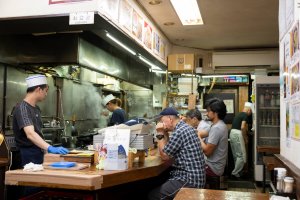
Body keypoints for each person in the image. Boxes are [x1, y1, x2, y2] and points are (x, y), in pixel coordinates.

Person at [148, 107, 205, 200]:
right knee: (159, 181)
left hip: (189, 181)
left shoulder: (180, 131)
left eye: (162, 121)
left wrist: (159, 132)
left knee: (153, 195)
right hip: (194, 177)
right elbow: (168, 149)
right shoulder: (185, 128)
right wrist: (165, 132)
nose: (161, 124)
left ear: (170, 119)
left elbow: (165, 156)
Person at [13, 75, 69, 167]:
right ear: (39, 89)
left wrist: (46, 150)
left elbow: (38, 132)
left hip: (38, 153)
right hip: (26, 154)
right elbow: (30, 134)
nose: (46, 94)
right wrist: (49, 147)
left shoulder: (36, 108)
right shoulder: (22, 108)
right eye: (46, 91)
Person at [199, 98, 228, 177]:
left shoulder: (217, 128)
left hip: (213, 168)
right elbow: (202, 133)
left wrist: (198, 138)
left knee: (188, 169)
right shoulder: (219, 125)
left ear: (216, 113)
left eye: (208, 111)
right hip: (216, 166)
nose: (206, 114)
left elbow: (208, 152)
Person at [230, 102, 253, 179]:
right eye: (251, 113)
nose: (250, 114)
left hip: (232, 133)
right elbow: (243, 127)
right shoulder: (245, 115)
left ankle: (237, 173)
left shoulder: (238, 114)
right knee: (242, 156)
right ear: (249, 110)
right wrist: (245, 137)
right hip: (237, 133)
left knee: (236, 155)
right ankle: (235, 172)